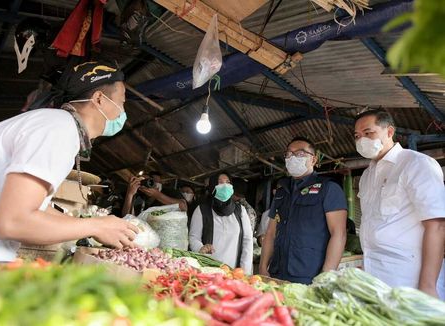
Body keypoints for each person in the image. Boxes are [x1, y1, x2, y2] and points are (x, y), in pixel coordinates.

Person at [0, 60, 140, 271]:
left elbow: (36, 207)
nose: (122, 113)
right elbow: (14, 221)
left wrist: (94, 229)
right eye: (122, 102)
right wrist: (95, 225)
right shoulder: (58, 130)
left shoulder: (52, 124)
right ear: (99, 99)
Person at [354, 109, 445, 298]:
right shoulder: (366, 176)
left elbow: (437, 225)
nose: (362, 140)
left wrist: (428, 286)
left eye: (368, 133)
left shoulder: (416, 164)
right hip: (374, 277)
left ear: (389, 132)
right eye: (357, 136)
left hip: (409, 277)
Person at [259, 137, 348, 284]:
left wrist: (325, 275)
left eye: (300, 154)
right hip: (276, 273)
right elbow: (270, 233)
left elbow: (339, 234)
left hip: (309, 276)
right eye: (289, 154)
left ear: (313, 160)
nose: (293, 158)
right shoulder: (282, 192)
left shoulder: (328, 189)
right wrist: (263, 267)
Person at [189, 173, 253, 274]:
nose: (225, 186)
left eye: (228, 182)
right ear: (212, 187)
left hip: (233, 271)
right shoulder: (202, 210)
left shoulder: (240, 211)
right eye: (220, 182)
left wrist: (245, 271)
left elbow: (247, 241)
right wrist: (200, 248)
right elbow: (193, 237)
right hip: (208, 271)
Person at [122, 171, 187, 216]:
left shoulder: (169, 192)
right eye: (143, 181)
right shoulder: (139, 196)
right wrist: (129, 194)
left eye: (150, 181)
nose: (147, 183)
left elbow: (183, 207)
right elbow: (127, 217)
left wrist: (157, 195)